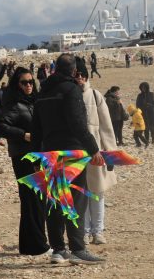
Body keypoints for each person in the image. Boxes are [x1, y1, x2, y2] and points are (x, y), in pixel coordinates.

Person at [31, 54, 105, 265]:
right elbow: (77, 123)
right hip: (72, 151)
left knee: (55, 201)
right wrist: (93, 149)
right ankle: (78, 248)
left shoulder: (43, 91)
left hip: (49, 152)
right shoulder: (71, 90)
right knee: (76, 201)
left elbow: (36, 127)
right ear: (73, 71)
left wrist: (35, 156)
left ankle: (58, 249)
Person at [0, 67, 51, 256]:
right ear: (17, 85)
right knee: (32, 200)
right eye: (24, 82)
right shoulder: (15, 105)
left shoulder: (33, 102)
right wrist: (23, 135)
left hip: (37, 155)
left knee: (35, 200)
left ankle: (28, 246)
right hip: (24, 157)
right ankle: (39, 246)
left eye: (30, 82)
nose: (28, 86)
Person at [76, 64, 118, 245]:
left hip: (96, 152)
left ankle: (98, 231)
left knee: (98, 192)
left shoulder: (95, 95)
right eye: (76, 75)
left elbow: (106, 126)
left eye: (82, 75)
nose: (79, 78)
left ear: (86, 77)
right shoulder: (70, 96)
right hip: (76, 153)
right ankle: (84, 231)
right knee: (81, 193)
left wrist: (111, 153)